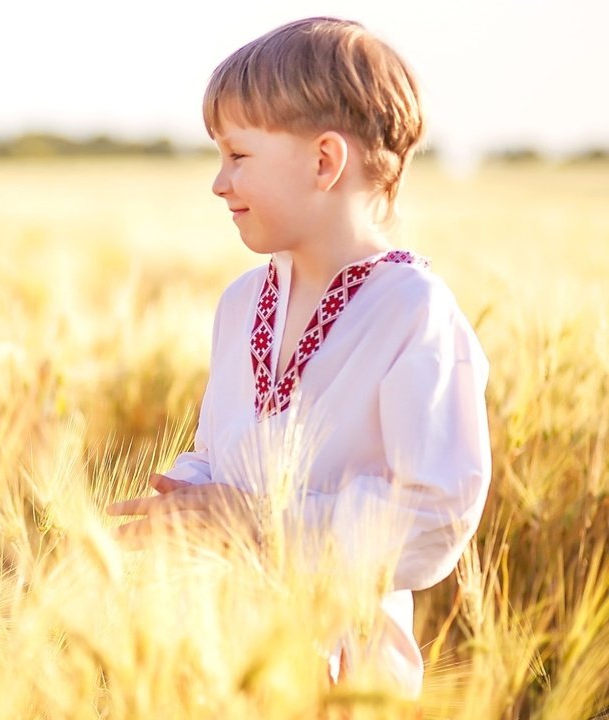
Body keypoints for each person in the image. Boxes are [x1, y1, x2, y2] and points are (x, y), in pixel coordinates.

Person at [107, 18, 490, 696]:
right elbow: (226, 452)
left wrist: (256, 522)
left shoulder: (413, 311)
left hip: (345, 685)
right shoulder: (241, 302)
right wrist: (185, 499)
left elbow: (433, 520)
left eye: (238, 156)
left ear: (323, 161)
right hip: (223, 666)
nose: (218, 183)